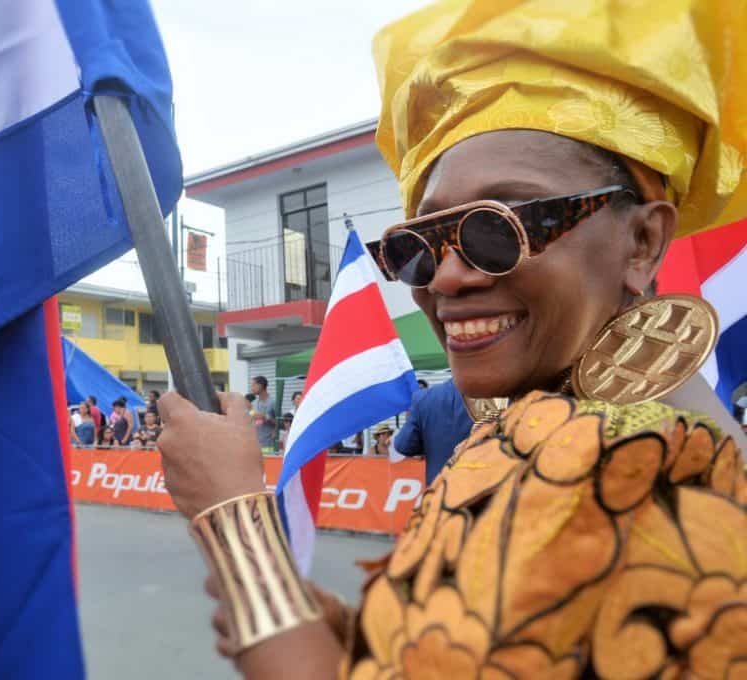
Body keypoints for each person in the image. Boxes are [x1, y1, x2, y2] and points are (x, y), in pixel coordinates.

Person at [152, 3, 747, 677]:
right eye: (419, 247)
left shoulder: (644, 453)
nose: (450, 277)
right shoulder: (550, 425)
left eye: (499, 228)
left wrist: (233, 522)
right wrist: (359, 633)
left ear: (642, 241)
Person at [392, 379, 474, 483]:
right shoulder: (494, 398)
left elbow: (403, 446)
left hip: (439, 490)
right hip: (485, 490)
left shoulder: (423, 398)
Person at [248, 376, 276, 452]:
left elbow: (281, 423)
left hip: (268, 444)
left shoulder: (273, 402)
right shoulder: (253, 403)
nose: (252, 388)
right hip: (255, 444)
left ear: (260, 385)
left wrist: (266, 417)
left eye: (253, 385)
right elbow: (251, 419)